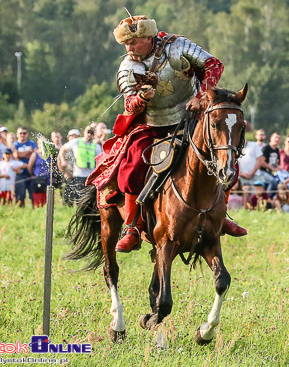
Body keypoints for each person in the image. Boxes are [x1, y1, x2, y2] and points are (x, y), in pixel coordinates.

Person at [85, 14, 246, 253]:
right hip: (151, 125)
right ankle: (132, 226)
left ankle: (221, 215)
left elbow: (214, 65)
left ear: (148, 37)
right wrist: (140, 98)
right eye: (126, 44)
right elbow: (129, 103)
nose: (129, 48)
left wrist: (200, 97)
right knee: (131, 167)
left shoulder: (178, 46)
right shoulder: (128, 66)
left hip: (191, 117)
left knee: (222, 157)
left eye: (134, 42)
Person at [60, 126, 102, 206]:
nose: (89, 135)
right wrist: (63, 160)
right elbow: (63, 149)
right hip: (78, 175)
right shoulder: (76, 142)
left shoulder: (96, 146)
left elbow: (99, 161)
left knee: (89, 201)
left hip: (90, 177)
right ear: (84, 133)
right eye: (88, 132)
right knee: (79, 199)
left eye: (92, 133)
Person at [12, 127, 38, 207]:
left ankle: (35, 209)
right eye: (20, 133)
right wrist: (29, 152)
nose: (22, 135)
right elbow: (16, 155)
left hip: (32, 171)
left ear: (27, 134)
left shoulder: (32, 143)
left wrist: (21, 154)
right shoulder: (15, 144)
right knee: (20, 193)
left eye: (24, 133)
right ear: (17, 134)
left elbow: (35, 154)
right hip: (20, 172)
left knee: (33, 192)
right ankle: (21, 210)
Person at [28, 140, 54, 207]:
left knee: (48, 196)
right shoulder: (35, 154)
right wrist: (33, 175)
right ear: (38, 144)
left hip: (48, 179)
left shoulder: (49, 154)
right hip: (38, 179)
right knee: (38, 197)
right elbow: (30, 167)